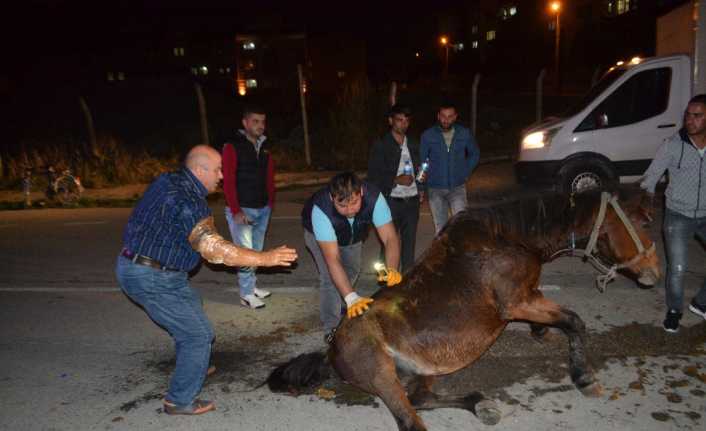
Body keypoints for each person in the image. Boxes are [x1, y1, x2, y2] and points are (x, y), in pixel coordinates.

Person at [115, 145, 297, 415]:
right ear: (199, 170)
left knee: (192, 306)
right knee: (198, 336)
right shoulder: (186, 200)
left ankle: (194, 363)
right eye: (217, 170)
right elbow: (216, 250)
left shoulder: (170, 180)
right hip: (150, 276)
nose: (222, 176)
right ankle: (178, 400)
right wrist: (266, 258)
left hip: (158, 270)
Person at [302, 172, 402, 341]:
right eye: (343, 206)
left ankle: (343, 302)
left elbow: (390, 238)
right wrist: (351, 296)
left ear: (361, 192)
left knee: (353, 269)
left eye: (354, 203)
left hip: (353, 234)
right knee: (329, 277)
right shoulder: (321, 209)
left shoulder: (374, 198)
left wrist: (392, 269)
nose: (350, 210)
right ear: (332, 198)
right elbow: (332, 259)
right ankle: (331, 328)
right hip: (318, 235)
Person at [641, 94, 706, 333]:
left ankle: (701, 303)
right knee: (678, 267)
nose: (690, 120)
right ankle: (674, 310)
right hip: (678, 214)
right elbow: (651, 177)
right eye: (688, 115)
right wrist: (640, 204)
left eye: (697, 116)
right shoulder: (672, 145)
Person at [222, 106, 276, 309]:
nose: (260, 126)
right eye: (255, 121)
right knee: (244, 253)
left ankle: (251, 287)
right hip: (243, 209)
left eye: (262, 122)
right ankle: (245, 294)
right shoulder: (232, 146)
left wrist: (270, 203)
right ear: (245, 123)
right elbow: (228, 180)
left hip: (263, 208)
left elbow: (270, 178)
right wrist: (235, 210)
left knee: (256, 251)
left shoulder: (265, 147)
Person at [367, 104, 422, 273]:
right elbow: (373, 176)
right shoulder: (381, 144)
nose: (403, 124)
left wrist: (421, 181)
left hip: (412, 200)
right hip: (391, 200)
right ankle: (385, 281)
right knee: (389, 241)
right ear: (391, 121)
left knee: (409, 241)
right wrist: (396, 180)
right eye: (399, 120)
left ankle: (406, 279)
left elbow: (419, 167)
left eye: (406, 121)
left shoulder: (413, 143)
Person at [420, 101, 480, 234]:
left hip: (457, 188)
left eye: (450, 116)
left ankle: (460, 255)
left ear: (455, 117)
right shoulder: (428, 135)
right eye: (443, 116)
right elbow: (422, 162)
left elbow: (474, 154)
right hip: (435, 189)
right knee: (441, 231)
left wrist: (465, 172)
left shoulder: (464, 133)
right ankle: (444, 254)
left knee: (461, 227)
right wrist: (421, 187)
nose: (446, 120)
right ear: (438, 116)